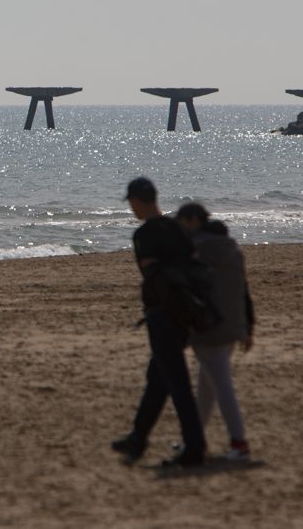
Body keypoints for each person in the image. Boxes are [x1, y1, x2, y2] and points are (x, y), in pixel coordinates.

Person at [111, 177, 207, 467]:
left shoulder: (144, 236)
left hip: (162, 315)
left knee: (176, 384)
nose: (130, 207)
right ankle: (137, 439)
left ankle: (195, 447)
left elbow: (151, 277)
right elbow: (194, 266)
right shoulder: (177, 228)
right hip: (186, 313)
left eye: (130, 202)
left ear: (138, 200)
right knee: (158, 380)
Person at [176, 202, 255, 462]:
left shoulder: (196, 250)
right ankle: (194, 437)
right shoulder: (232, 248)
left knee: (221, 387)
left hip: (208, 327)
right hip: (232, 325)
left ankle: (239, 442)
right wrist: (247, 327)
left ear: (191, 221)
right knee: (207, 388)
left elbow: (188, 291)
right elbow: (243, 291)